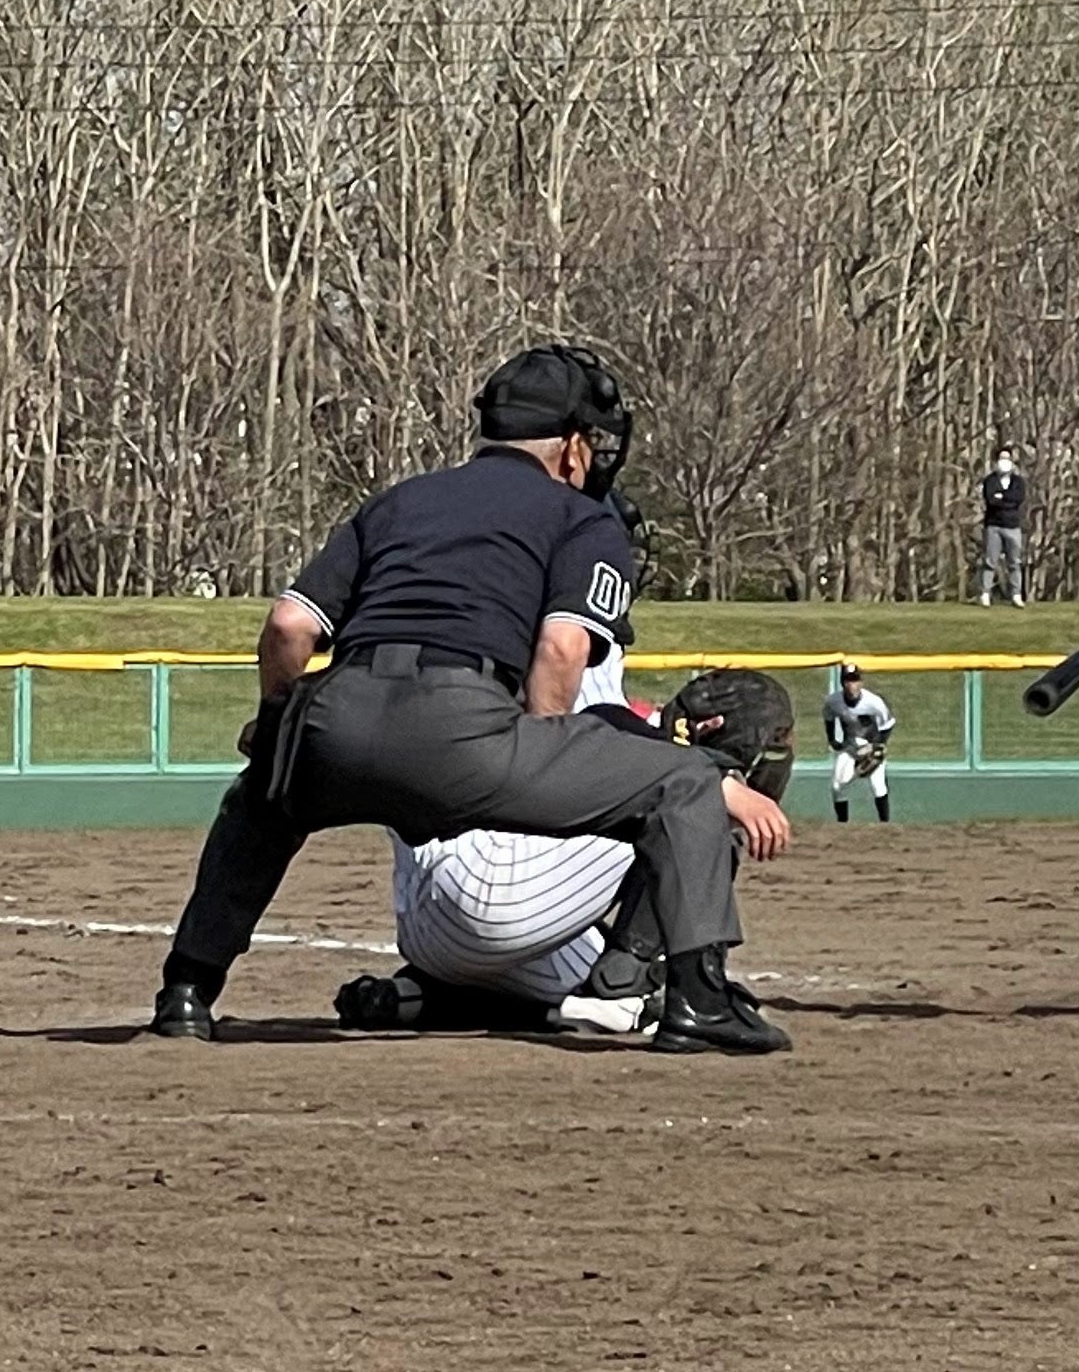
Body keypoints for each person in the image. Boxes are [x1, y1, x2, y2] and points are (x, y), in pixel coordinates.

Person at [148, 345, 793, 1057]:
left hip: (338, 708)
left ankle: (186, 993)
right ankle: (699, 1002)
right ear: (571, 447)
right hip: (464, 719)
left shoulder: (400, 499)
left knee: (261, 803)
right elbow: (560, 650)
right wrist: (544, 754)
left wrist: (279, 724)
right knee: (684, 782)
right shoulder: (580, 515)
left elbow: (289, 626)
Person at [335, 667, 799, 1038]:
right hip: (502, 896)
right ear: (712, 727)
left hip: (429, 927)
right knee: (695, 810)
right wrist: (717, 784)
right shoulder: (618, 722)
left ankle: (423, 996)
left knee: (573, 995)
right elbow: (610, 721)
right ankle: (630, 982)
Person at [822, 660, 896, 824]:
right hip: (850, 747)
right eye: (848, 680)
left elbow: (888, 724)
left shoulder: (874, 702)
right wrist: (832, 739)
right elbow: (829, 717)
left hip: (871, 746)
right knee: (838, 785)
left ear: (861, 682)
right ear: (842, 683)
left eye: (855, 680)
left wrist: (878, 747)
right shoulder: (834, 701)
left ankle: (885, 825)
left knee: (878, 786)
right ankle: (842, 824)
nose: (852, 685)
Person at [977, 446, 1029, 604]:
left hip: (1013, 526)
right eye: (1001, 458)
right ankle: (985, 594)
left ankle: (1016, 595)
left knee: (1014, 562)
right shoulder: (990, 481)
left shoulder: (1018, 482)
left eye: (1007, 458)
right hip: (994, 526)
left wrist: (1002, 497)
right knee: (990, 561)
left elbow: (1018, 499)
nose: (1004, 462)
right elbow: (991, 500)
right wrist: (1006, 500)